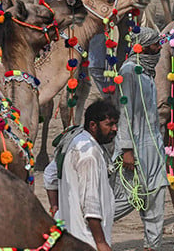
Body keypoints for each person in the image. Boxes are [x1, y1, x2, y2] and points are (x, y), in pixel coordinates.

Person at [112, 27, 167, 251]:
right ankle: (84, 226)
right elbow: (125, 113)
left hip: (154, 144)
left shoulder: (146, 73)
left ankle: (152, 246)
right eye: (155, 44)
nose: (159, 48)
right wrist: (127, 149)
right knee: (128, 198)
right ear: (143, 47)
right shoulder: (128, 72)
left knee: (157, 193)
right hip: (134, 145)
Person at [44, 99, 119, 251]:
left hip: (71, 237)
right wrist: (101, 243)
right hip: (87, 240)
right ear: (93, 125)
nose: (115, 129)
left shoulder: (75, 140)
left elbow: (49, 175)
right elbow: (90, 204)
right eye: (109, 124)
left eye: (116, 124)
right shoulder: (89, 154)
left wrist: (56, 210)